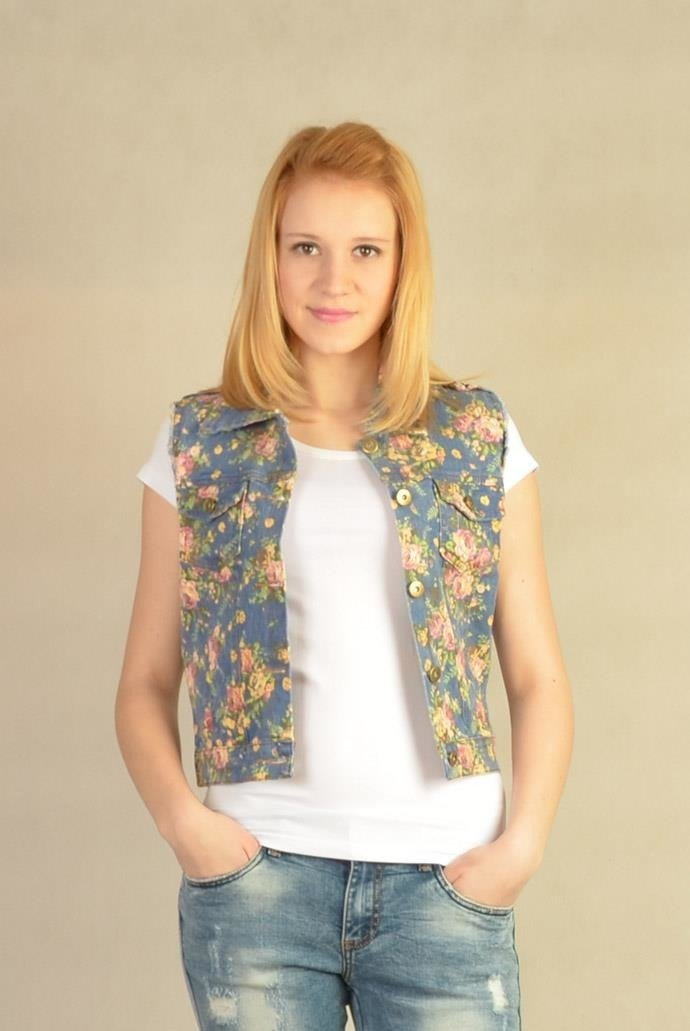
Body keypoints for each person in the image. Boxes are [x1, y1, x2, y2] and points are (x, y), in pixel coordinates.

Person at [115, 121, 574, 1030]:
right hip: (258, 882)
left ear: (404, 264)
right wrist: (185, 825)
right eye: (306, 248)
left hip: (445, 882)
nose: (335, 280)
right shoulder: (199, 442)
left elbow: (537, 675)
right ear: (271, 259)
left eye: (366, 249)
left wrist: (521, 846)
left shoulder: (476, 437)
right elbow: (144, 681)